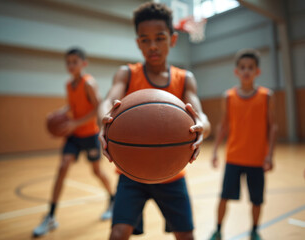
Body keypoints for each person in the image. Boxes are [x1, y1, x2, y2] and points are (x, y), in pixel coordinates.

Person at [99, 2, 211, 240]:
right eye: (145, 39)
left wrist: (202, 129)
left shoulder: (184, 78)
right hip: (130, 174)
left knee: (187, 236)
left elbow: (202, 117)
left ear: (172, 39)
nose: (152, 46)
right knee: (118, 233)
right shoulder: (126, 74)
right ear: (138, 42)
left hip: (172, 174)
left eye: (159, 38)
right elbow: (107, 101)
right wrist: (104, 120)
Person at [33, 48, 115, 237]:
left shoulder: (89, 83)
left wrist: (75, 123)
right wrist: (59, 113)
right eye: (68, 62)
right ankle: (51, 216)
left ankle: (112, 199)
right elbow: (73, 105)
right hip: (74, 136)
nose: (71, 65)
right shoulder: (69, 85)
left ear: (83, 64)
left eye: (74, 62)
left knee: (96, 171)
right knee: (62, 167)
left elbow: (98, 108)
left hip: (89, 135)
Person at [209, 49, 277, 240]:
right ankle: (218, 229)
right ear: (236, 71)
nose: (246, 71)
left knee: (257, 200)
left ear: (257, 72)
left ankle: (255, 230)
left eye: (250, 68)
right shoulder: (228, 97)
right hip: (234, 157)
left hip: (257, 159)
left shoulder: (266, 96)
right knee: (224, 197)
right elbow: (223, 126)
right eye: (242, 67)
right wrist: (214, 151)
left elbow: (273, 127)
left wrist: (270, 154)